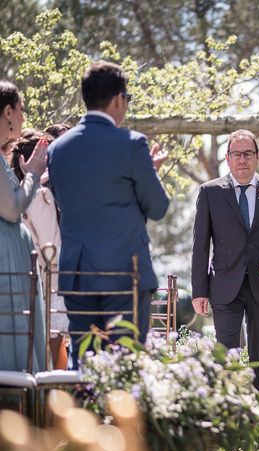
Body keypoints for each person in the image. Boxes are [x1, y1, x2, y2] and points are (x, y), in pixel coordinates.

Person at [48, 61, 170, 368]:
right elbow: (158, 207)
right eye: (127, 98)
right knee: (125, 367)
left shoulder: (58, 149)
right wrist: (147, 178)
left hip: (78, 274)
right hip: (124, 273)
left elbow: (65, 202)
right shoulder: (132, 144)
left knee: (85, 364)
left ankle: (81, 417)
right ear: (118, 98)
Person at [191, 129, 259, 393]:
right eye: (236, 154)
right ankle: (230, 411)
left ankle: (258, 417)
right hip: (224, 285)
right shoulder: (209, 192)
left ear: (257, 157)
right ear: (227, 158)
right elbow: (200, 246)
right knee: (226, 353)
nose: (242, 160)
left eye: (248, 154)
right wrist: (199, 291)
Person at [0, 81, 49, 372]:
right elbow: (11, 208)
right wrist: (32, 175)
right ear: (8, 111)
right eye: (21, 110)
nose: (23, 118)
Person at [10, 129, 69, 369]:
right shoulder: (39, 195)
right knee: (52, 364)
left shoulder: (22, 192)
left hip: (41, 286)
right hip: (50, 288)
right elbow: (51, 248)